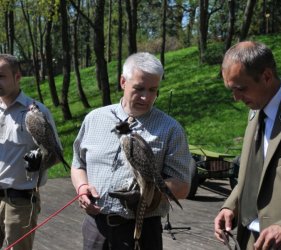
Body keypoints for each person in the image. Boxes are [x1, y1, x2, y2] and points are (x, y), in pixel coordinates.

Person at [71, 52, 194, 250]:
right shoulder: (95, 119)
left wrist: (147, 194)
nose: (146, 97)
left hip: (142, 230)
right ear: (123, 82)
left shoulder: (170, 129)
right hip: (96, 228)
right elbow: (78, 165)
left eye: (153, 90)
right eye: (139, 88)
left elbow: (182, 185)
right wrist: (81, 188)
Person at [214, 41, 281, 249]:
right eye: (231, 89)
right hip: (249, 240)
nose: (236, 98)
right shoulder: (255, 112)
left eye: (241, 88)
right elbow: (255, 173)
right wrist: (231, 206)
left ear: (267, 76)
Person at [0, 54, 61, 249]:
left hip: (20, 202)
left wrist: (40, 161)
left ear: (17, 77)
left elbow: (56, 155)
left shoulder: (36, 112)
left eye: (1, 76)